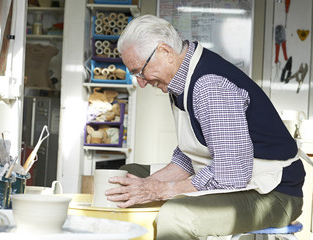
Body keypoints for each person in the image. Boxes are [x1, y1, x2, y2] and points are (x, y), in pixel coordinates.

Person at [105, 14, 306, 239]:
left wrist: (158, 190)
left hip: (272, 193)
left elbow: (231, 175)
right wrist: (144, 185)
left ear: (164, 52)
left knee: (176, 217)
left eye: (140, 72)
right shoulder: (179, 80)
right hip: (235, 177)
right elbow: (189, 153)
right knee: (123, 178)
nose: (141, 83)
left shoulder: (209, 86)